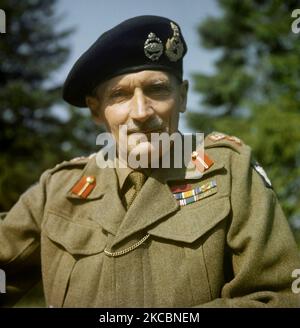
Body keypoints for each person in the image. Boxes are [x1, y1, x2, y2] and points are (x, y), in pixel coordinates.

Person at [1, 15, 300, 308]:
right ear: (96, 110)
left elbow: (279, 297)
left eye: (157, 89)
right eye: (120, 95)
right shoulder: (57, 190)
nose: (142, 111)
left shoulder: (230, 172)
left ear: (181, 97)